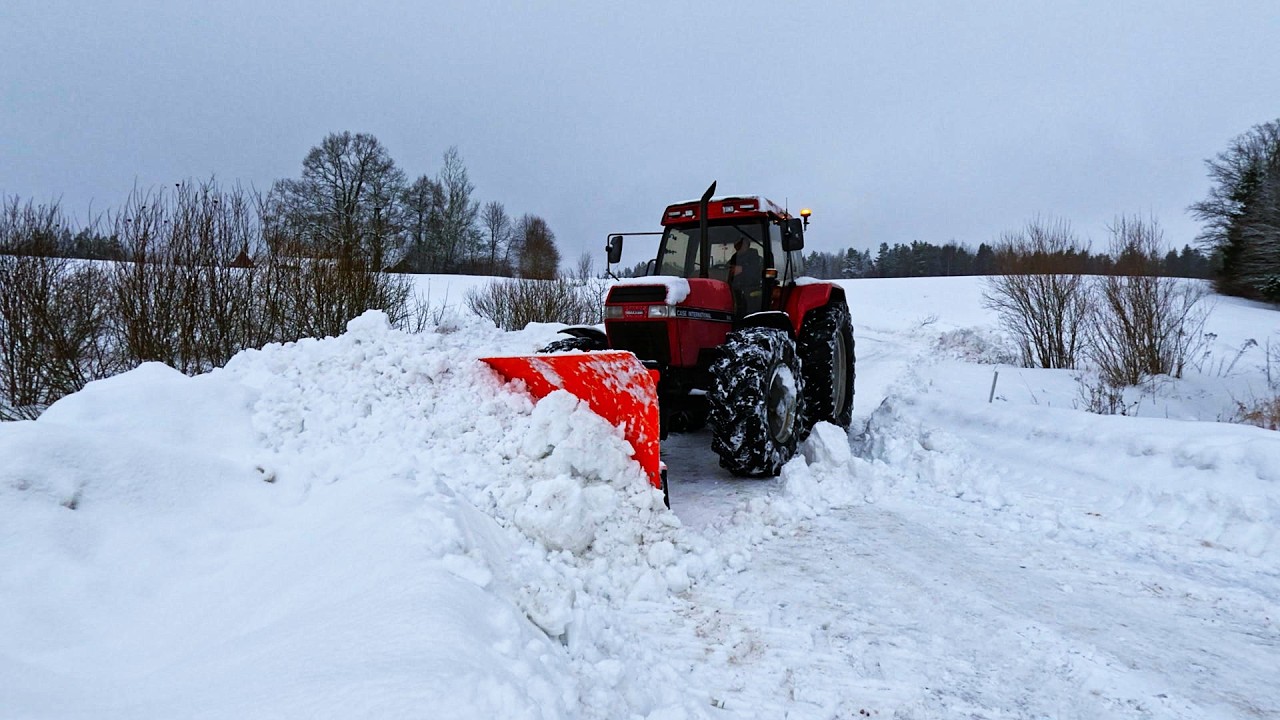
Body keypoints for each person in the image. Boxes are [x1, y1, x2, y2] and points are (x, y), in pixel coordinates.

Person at [728, 238, 762, 313]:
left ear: (747, 245)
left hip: (751, 290)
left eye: (740, 244)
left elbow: (756, 270)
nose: (738, 246)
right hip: (734, 290)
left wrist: (741, 269)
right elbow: (729, 268)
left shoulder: (754, 256)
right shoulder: (734, 257)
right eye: (736, 245)